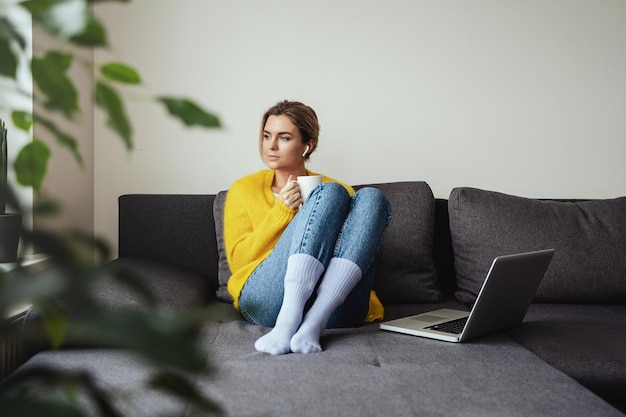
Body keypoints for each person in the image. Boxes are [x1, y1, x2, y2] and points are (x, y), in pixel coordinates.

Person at [224, 100, 391, 355]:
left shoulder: (342, 191)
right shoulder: (244, 190)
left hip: (331, 307)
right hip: (269, 302)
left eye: (284, 137)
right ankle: (287, 321)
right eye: (267, 135)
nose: (271, 145)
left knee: (372, 198)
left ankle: (314, 322)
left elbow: (350, 249)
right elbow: (238, 263)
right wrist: (283, 214)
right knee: (330, 193)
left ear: (307, 145)